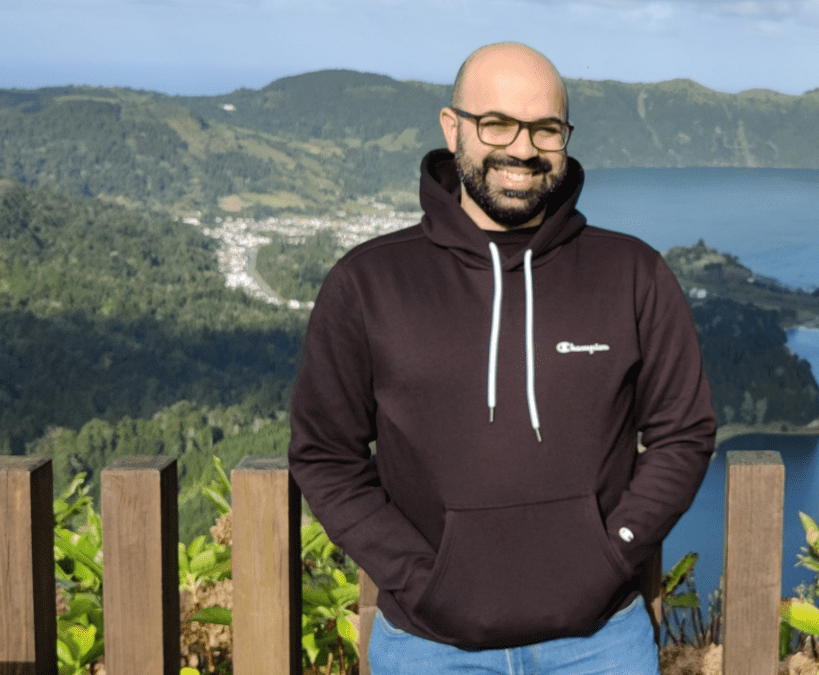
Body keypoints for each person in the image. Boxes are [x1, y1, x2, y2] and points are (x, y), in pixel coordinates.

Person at [289, 42, 717, 672]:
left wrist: (616, 550)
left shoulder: (631, 273)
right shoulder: (369, 283)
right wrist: (416, 578)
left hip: (600, 644)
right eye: (497, 124)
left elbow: (684, 432)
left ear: (565, 139)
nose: (521, 149)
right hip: (430, 648)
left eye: (545, 129)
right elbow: (325, 454)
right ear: (452, 127)